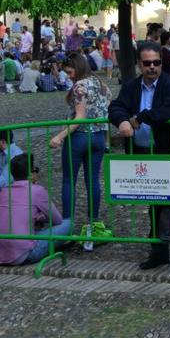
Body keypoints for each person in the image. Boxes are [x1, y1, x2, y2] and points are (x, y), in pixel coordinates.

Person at [109, 42, 170, 269]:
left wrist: (141, 117)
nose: (153, 67)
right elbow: (115, 107)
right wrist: (123, 120)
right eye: (148, 63)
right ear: (139, 64)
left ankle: (162, 238)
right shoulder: (131, 86)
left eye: (157, 62)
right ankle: (159, 249)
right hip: (144, 153)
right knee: (155, 202)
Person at [50, 54, 112, 251]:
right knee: (93, 180)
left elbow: (80, 117)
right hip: (98, 137)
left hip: (79, 138)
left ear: (77, 67)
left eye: (69, 72)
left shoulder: (80, 87)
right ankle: (93, 224)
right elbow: (107, 106)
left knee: (69, 180)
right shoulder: (101, 84)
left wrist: (60, 136)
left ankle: (67, 227)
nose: (68, 76)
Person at [0, 154, 72, 266]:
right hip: (21, 255)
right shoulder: (37, 191)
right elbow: (57, 220)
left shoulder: (4, 191)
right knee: (68, 224)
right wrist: (40, 216)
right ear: (31, 173)